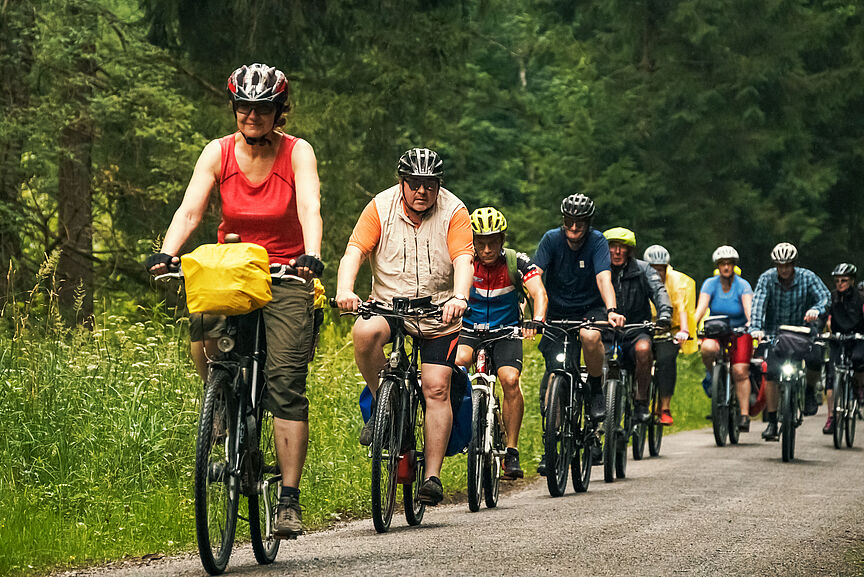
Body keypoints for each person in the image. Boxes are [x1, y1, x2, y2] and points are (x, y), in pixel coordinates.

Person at [146, 63, 324, 538]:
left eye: (262, 108)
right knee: (201, 330)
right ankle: (221, 400)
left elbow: (309, 207)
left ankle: (288, 499)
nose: (251, 115)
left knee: (285, 382)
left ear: (278, 111)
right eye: (244, 107)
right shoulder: (218, 151)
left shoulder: (297, 152)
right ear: (235, 109)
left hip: (286, 270)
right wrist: (167, 252)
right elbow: (190, 209)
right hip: (232, 267)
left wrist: (312, 256)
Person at [334, 148, 473, 506]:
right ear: (402, 183)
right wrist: (345, 290)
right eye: (414, 183)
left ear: (438, 186)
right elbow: (355, 252)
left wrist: (459, 296)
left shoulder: (454, 212)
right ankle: (386, 405)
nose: (421, 191)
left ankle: (432, 477)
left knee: (436, 387)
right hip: (389, 305)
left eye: (429, 184)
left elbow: (463, 259)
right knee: (364, 334)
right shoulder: (380, 207)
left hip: (438, 312)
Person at [533, 194, 625, 475]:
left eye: (580, 224)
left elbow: (603, 278)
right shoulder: (551, 239)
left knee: (590, 337)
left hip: (590, 309)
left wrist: (611, 309)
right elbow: (534, 275)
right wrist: (532, 309)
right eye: (570, 223)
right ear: (563, 222)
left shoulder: (597, 241)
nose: (574, 229)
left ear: (588, 223)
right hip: (556, 312)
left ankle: (595, 388)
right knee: (554, 375)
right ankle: (552, 445)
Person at [454, 207, 548, 479]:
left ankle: (511, 450)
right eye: (480, 242)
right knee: (458, 364)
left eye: (493, 241)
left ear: (502, 239)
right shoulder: (464, 262)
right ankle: (461, 426)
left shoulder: (516, 262)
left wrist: (537, 319)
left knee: (509, 378)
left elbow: (538, 292)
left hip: (506, 331)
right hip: (470, 328)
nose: (486, 248)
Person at [750, 242, 830, 441]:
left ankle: (810, 390)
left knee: (814, 358)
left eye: (787, 265)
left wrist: (817, 309)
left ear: (794, 264)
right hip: (775, 333)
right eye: (780, 265)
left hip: (802, 331)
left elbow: (825, 297)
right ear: (775, 265)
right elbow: (758, 303)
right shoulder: (766, 278)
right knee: (772, 373)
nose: (784, 269)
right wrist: (756, 328)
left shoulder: (807, 277)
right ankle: (771, 421)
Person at [603, 229, 672, 423]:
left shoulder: (644, 269)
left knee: (644, 350)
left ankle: (641, 403)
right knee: (598, 362)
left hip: (636, 330)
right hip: (607, 332)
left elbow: (659, 292)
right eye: (613, 247)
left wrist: (665, 314)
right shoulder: (600, 270)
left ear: (629, 250)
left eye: (622, 247)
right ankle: (600, 406)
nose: (617, 252)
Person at [693, 246, 754, 431]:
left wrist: (752, 325)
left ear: (734, 266)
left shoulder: (743, 285)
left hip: (739, 331)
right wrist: (690, 329)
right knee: (708, 348)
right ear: (718, 266)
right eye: (722, 264)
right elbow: (700, 309)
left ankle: (744, 415)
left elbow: (748, 311)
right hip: (717, 330)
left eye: (729, 264)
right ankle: (713, 377)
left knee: (740, 371)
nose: (726, 267)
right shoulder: (710, 284)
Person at [643, 244, 696, 426]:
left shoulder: (675, 284)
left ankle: (665, 407)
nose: (658, 273)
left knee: (666, 361)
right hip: (646, 329)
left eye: (661, 269)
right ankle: (639, 402)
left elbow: (681, 308)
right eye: (654, 269)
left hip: (669, 331)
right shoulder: (641, 280)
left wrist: (684, 330)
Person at [823, 263, 864, 434]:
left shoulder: (860, 298)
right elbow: (822, 315)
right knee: (831, 376)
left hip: (858, 338)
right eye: (837, 281)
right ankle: (832, 417)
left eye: (844, 280)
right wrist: (819, 331)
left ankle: (859, 388)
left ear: (852, 281)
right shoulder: (831, 298)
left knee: (859, 361)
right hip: (838, 340)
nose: (840, 284)